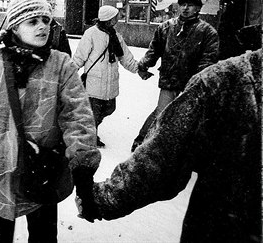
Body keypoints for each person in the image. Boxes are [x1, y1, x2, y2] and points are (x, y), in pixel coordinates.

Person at [0, 0, 101, 243]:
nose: (42, 26)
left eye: (46, 20)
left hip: (41, 166)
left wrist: (82, 168)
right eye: (32, 21)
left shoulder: (61, 64)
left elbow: (77, 117)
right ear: (15, 26)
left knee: (43, 238)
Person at [76, 48, 262, 243]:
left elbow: (163, 158)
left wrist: (101, 199)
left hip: (223, 226)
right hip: (223, 229)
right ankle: (136, 138)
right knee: (162, 116)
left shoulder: (222, 80)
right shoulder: (223, 82)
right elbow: (162, 156)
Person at [131, 0, 218, 151]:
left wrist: (198, 81)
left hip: (191, 85)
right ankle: (142, 142)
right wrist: (143, 66)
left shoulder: (207, 32)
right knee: (162, 114)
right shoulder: (166, 27)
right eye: (183, 4)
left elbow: (208, 60)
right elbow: (153, 50)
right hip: (169, 80)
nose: (185, 8)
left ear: (198, 8)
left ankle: (178, 151)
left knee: (188, 118)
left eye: (190, 5)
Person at [72, 5, 145, 147]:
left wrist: (138, 69)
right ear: (109, 19)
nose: (118, 19)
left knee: (110, 108)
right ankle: (90, 137)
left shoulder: (116, 36)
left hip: (111, 81)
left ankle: (87, 129)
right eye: (115, 16)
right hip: (94, 81)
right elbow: (80, 56)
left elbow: (125, 57)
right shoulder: (91, 34)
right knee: (94, 113)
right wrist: (69, 72)